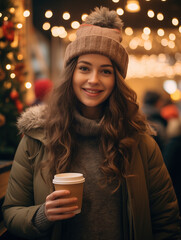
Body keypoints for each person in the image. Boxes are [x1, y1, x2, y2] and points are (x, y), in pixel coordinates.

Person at [2, 7, 181, 240]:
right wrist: (42, 215)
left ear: (116, 80)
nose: (93, 80)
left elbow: (167, 222)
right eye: (84, 68)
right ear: (71, 74)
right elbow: (12, 212)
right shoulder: (38, 137)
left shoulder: (140, 141)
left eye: (105, 71)